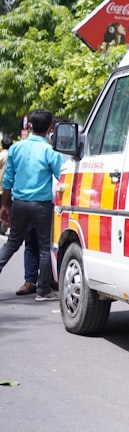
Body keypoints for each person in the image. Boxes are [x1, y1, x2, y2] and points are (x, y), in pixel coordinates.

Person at [0, 109, 65, 301]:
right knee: (45, 247)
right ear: (50, 129)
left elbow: (8, 180)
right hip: (41, 205)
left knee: (13, 243)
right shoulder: (50, 151)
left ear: (29, 126)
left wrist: (5, 206)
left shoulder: (15, 149)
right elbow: (60, 177)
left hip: (18, 203)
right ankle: (43, 291)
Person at [0, 136, 9, 236]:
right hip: (8, 187)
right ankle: (3, 227)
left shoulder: (1, 155)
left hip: (1, 186)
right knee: (6, 207)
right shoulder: (12, 155)